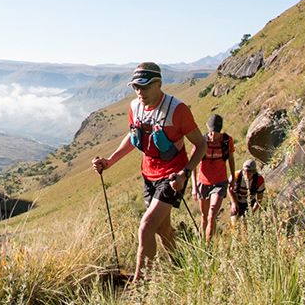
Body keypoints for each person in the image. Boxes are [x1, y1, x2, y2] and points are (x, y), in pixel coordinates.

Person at [93, 61, 206, 281]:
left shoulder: (177, 110)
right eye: (136, 87)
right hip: (148, 174)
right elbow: (133, 136)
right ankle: (182, 265)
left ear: (158, 84)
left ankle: (140, 287)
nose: (139, 92)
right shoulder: (135, 107)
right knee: (163, 230)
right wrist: (110, 161)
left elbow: (201, 144)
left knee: (146, 227)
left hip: (172, 176)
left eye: (144, 87)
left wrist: (186, 173)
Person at [194, 113, 235, 241]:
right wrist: (194, 187)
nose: (213, 136)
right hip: (203, 182)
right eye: (211, 132)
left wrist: (233, 176)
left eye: (215, 133)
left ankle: (209, 246)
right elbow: (193, 163)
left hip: (220, 182)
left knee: (212, 215)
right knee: (204, 216)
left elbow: (231, 159)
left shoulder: (227, 141)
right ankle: (203, 241)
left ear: (220, 131)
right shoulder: (202, 142)